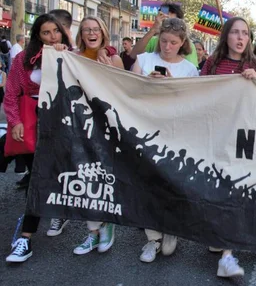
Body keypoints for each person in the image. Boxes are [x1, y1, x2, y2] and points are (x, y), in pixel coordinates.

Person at [201, 17, 256, 277]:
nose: (241, 38)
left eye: (245, 33)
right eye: (235, 33)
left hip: (243, 139)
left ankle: (227, 256)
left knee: (234, 191)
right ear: (226, 36)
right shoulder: (212, 63)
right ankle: (219, 235)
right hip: (215, 135)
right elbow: (199, 94)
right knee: (216, 189)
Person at [5, 14, 71, 263]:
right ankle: (26, 237)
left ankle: (52, 211)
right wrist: (15, 122)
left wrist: (65, 54)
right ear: (37, 35)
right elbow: (11, 94)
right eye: (46, 32)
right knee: (36, 178)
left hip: (60, 125)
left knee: (53, 175)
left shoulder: (68, 56)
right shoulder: (23, 60)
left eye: (56, 31)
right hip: (31, 125)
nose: (53, 36)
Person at [131, 18, 198, 263]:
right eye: (164, 41)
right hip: (145, 130)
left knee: (170, 182)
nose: (167, 46)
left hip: (174, 133)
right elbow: (127, 91)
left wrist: (171, 85)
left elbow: (192, 105)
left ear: (182, 44)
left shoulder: (189, 71)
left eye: (173, 42)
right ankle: (152, 237)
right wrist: (145, 83)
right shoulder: (144, 61)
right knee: (147, 183)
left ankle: (170, 228)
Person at [70, 16, 123, 256]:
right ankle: (92, 232)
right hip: (80, 126)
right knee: (85, 176)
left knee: (105, 176)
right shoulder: (73, 58)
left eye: (96, 29)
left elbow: (123, 91)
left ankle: (108, 225)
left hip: (107, 127)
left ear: (102, 33)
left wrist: (109, 68)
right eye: (86, 30)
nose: (91, 33)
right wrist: (59, 51)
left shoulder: (114, 58)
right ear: (80, 35)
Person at [130, 2, 198, 66]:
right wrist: (153, 30)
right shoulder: (153, 40)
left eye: (173, 43)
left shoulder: (188, 45)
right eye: (166, 21)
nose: (167, 47)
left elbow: (190, 74)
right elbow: (134, 55)